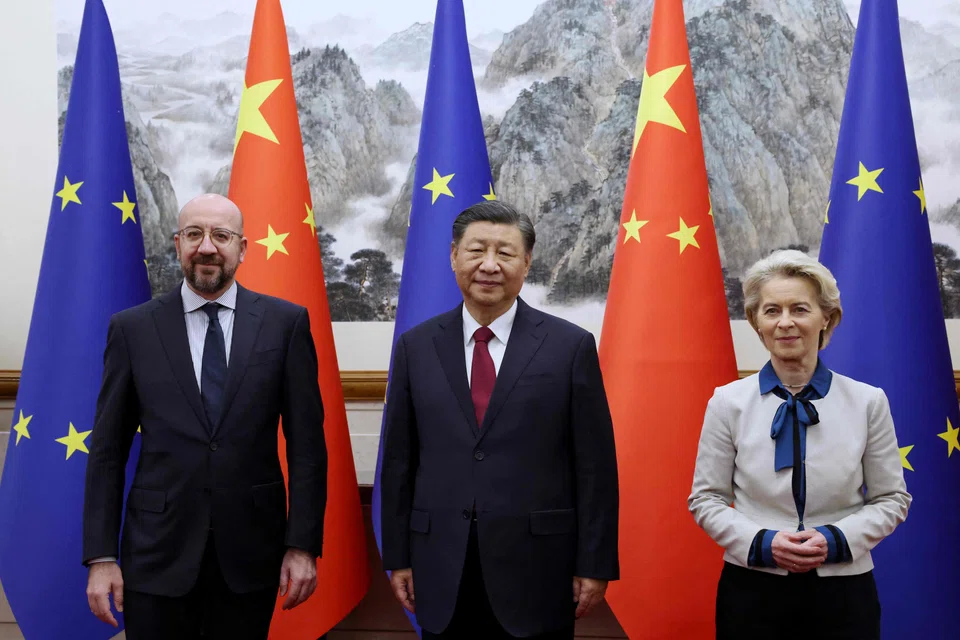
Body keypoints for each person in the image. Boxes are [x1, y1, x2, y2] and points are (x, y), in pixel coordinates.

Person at [81, 194, 328, 640]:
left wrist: (303, 545)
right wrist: (101, 557)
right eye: (194, 234)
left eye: (221, 235)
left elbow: (308, 446)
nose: (207, 246)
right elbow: (107, 451)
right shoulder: (132, 329)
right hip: (156, 555)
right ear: (177, 244)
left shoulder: (284, 323)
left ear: (242, 248)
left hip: (251, 554)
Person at [379, 200, 620, 639]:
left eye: (505, 253)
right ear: (454, 256)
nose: (489, 265)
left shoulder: (569, 347)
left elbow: (595, 466)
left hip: (539, 567)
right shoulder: (416, 347)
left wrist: (594, 563)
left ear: (526, 262)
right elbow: (398, 460)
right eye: (476, 251)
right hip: (440, 562)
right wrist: (398, 555)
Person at [688, 249, 911, 639]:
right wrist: (762, 543)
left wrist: (836, 539)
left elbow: (892, 498)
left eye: (800, 309)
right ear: (756, 322)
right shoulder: (727, 402)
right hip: (753, 589)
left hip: (844, 590)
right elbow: (705, 499)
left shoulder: (867, 401)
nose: (785, 323)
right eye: (772, 310)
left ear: (828, 317)